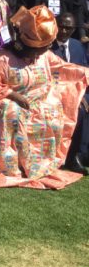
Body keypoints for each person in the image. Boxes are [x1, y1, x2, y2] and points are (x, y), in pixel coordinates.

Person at [0, 5, 89, 190]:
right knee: (11, 112)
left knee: (54, 109)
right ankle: (8, 167)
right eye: (40, 49)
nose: (44, 51)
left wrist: (86, 74)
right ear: (27, 45)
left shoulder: (45, 56)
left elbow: (63, 69)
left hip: (37, 100)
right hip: (0, 101)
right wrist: (13, 95)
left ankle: (42, 166)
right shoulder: (1, 59)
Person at [51, 12, 89, 173]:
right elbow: (48, 78)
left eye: (69, 28)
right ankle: (76, 156)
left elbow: (84, 73)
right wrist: (75, 96)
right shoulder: (46, 47)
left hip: (80, 91)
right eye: (61, 26)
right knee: (80, 111)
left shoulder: (77, 46)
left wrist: (81, 94)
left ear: (74, 29)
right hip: (56, 92)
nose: (64, 31)